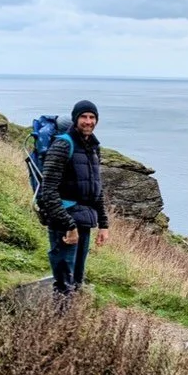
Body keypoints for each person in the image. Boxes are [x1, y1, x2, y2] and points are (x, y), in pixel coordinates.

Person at [38, 99, 110, 297]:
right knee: (64, 283)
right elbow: (48, 191)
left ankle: (72, 315)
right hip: (65, 222)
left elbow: (96, 188)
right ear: (75, 119)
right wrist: (69, 225)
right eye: (83, 117)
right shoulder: (62, 145)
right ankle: (58, 315)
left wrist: (104, 224)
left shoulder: (93, 147)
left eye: (92, 117)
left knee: (77, 280)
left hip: (84, 220)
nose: (88, 121)